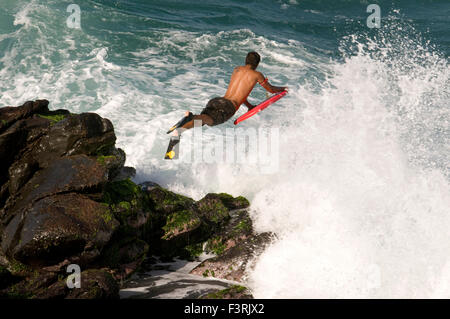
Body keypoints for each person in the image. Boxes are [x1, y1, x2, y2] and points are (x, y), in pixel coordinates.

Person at [167, 51, 287, 135]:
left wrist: (250, 106)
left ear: (246, 61)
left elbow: (240, 93)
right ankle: (191, 116)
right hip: (227, 107)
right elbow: (271, 89)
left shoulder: (237, 69)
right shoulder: (257, 75)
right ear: (257, 64)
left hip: (217, 101)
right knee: (208, 120)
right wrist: (284, 89)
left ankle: (180, 131)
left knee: (204, 121)